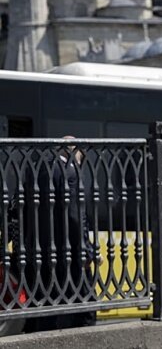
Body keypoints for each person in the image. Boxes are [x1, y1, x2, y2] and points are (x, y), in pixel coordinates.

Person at [26, 137, 99, 330]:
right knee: (83, 309)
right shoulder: (71, 172)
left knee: (48, 307)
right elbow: (76, 215)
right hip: (69, 250)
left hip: (42, 249)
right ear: (75, 154)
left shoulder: (39, 169)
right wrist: (85, 250)